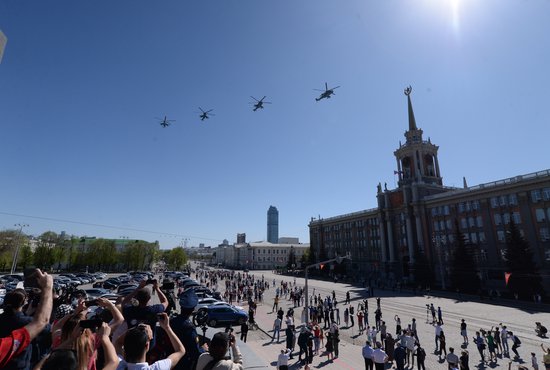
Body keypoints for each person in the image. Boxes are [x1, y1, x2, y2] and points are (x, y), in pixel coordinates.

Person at [0, 269, 53, 368]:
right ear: (24, 302)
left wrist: (25, 313)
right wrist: (47, 287)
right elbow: (42, 323)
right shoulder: (26, 322)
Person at [115, 313, 185, 370]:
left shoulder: (118, 365)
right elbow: (180, 350)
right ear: (147, 346)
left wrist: (136, 329)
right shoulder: (158, 368)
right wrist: (167, 327)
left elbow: (118, 342)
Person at [121, 280, 168, 348]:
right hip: (149, 345)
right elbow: (165, 302)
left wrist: (138, 288)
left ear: (136, 298)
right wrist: (157, 288)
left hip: (132, 344)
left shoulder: (129, 310)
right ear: (149, 298)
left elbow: (123, 303)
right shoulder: (154, 310)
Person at [171, 288, 206, 370]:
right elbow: (196, 352)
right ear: (193, 309)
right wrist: (203, 349)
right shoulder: (189, 328)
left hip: (171, 359)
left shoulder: (172, 322)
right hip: (184, 364)